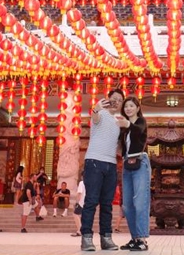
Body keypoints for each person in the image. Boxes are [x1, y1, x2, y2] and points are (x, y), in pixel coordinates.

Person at [79, 89, 125, 251]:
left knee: (107, 204)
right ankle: (86, 238)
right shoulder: (101, 113)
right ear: (108, 99)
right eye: (114, 98)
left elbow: (119, 145)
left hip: (111, 165)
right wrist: (96, 108)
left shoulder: (119, 120)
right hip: (94, 162)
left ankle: (106, 238)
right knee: (91, 201)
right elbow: (95, 117)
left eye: (120, 100)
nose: (116, 101)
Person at [116, 96, 150, 251]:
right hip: (127, 164)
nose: (128, 108)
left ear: (137, 108)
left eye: (131, 106)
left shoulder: (140, 122)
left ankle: (142, 239)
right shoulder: (124, 129)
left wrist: (128, 124)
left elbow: (138, 131)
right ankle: (134, 238)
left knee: (139, 201)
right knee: (127, 205)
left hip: (140, 163)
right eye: (126, 106)